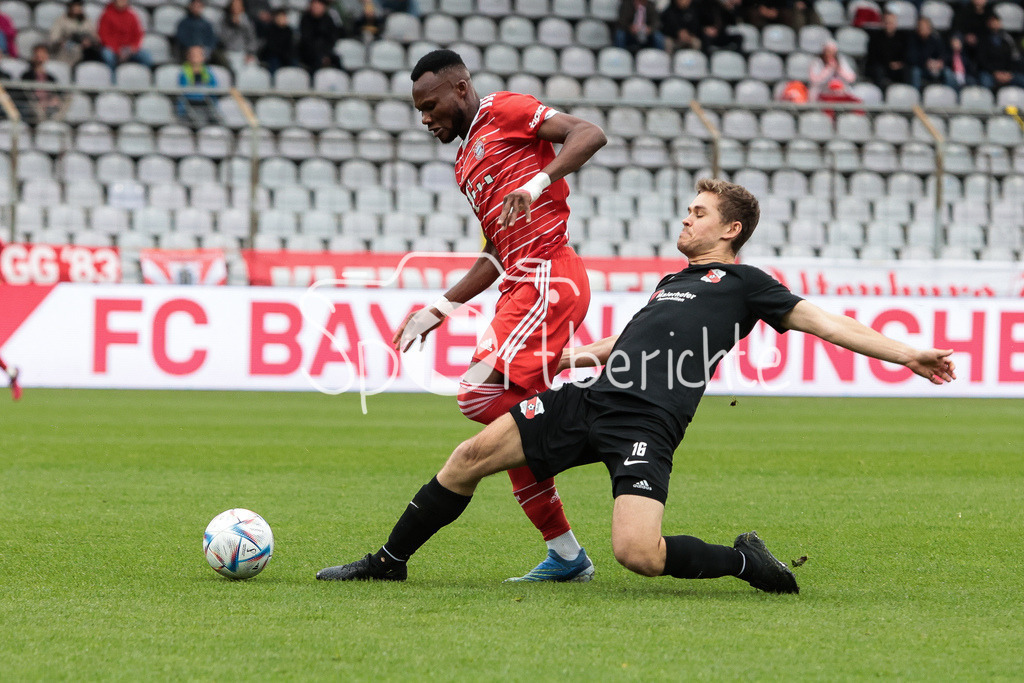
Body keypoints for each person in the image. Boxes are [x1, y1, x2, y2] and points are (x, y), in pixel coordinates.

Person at [316, 178, 957, 590]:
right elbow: (630, 343)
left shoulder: (746, 284)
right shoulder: (670, 282)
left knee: (638, 554)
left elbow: (824, 322)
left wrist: (907, 355)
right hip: (591, 399)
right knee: (471, 456)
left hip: (645, 425)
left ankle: (744, 562)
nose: (686, 220)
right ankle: (387, 563)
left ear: (729, 231)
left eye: (698, 214)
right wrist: (575, 358)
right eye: (687, 210)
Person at [392, 49, 608, 582]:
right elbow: (494, 250)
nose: (425, 118)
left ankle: (599, 421)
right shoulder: (465, 163)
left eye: (430, 104)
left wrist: (536, 183)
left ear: (460, 89)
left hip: (547, 276)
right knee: (511, 437)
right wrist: (439, 308)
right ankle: (565, 555)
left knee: (477, 394)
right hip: (518, 280)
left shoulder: (506, 110)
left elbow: (589, 133)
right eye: (418, 110)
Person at [97, 0, 153, 72]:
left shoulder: (132, 16)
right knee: (107, 55)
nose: (122, 2)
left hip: (129, 48)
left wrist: (132, 48)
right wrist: (117, 50)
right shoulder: (106, 15)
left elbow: (138, 35)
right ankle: (113, 78)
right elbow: (104, 36)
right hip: (113, 48)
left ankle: (143, 77)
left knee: (146, 56)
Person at [16, 43, 65, 124]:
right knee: (35, 105)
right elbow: (26, 94)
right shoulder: (27, 75)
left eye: (43, 53)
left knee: (68, 98)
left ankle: (54, 122)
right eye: (38, 53)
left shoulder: (51, 77)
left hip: (49, 104)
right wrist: (40, 102)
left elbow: (58, 93)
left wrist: (53, 99)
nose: (41, 56)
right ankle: (45, 123)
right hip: (34, 105)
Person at [975, 14, 1024, 91]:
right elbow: (982, 60)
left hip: (1006, 72)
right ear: (988, 24)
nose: (995, 24)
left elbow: (1013, 58)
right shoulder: (982, 39)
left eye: (997, 21)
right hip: (989, 72)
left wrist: (1008, 73)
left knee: (1021, 79)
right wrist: (995, 72)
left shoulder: (1007, 39)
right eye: (992, 22)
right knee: (985, 82)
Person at [49, 0, 102, 66]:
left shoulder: (87, 20)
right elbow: (54, 38)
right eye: (74, 6)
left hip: (86, 51)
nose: (76, 9)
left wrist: (89, 41)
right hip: (68, 50)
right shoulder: (61, 21)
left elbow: (96, 38)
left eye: (79, 6)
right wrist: (63, 42)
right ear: (70, 7)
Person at [177, 44, 220, 126]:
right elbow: (184, 90)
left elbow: (214, 87)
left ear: (203, 57)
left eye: (198, 54)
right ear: (188, 57)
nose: (195, 57)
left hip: (206, 104)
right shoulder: (184, 72)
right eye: (193, 54)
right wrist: (201, 92)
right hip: (189, 105)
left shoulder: (207, 72)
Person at [865, 10, 907, 89]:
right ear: (883, 23)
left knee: (909, 70)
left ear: (896, 24)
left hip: (897, 67)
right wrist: (889, 64)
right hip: (881, 66)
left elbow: (906, 54)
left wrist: (900, 64)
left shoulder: (902, 37)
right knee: (878, 70)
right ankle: (881, 96)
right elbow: (873, 57)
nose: (889, 25)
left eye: (891, 23)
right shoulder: (875, 37)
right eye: (887, 22)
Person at [297, 0, 342, 72]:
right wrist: (321, 54)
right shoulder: (305, 19)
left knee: (337, 60)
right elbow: (306, 40)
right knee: (316, 61)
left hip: (326, 51)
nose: (316, 7)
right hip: (309, 52)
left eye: (319, 5)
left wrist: (325, 54)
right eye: (314, 5)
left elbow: (332, 39)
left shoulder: (328, 19)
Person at [220, 0, 259, 74]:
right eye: (234, 6)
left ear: (242, 8)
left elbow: (252, 39)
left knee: (252, 67)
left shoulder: (248, 21)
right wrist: (232, 25)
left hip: (245, 53)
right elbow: (223, 40)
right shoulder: (224, 21)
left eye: (238, 5)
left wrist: (250, 53)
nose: (236, 8)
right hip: (229, 52)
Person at [258, 8, 296, 73]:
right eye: (280, 17)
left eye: (284, 17)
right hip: (273, 55)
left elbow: (290, 46)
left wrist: (287, 56)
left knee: (294, 63)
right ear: (275, 18)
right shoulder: (270, 29)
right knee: (274, 63)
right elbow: (271, 47)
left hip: (285, 55)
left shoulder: (289, 30)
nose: (282, 19)